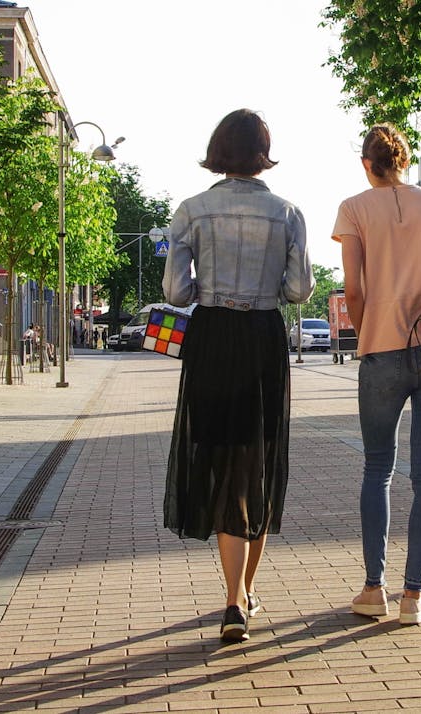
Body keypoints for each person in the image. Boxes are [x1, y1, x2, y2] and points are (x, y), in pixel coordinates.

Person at [162, 109, 313, 644]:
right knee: (258, 462)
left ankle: (232, 600)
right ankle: (243, 594)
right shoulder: (287, 212)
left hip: (213, 340)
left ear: (219, 150)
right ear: (262, 153)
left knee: (221, 458)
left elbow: (177, 295)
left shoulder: (191, 211)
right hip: (261, 340)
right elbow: (298, 291)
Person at [332, 124, 421, 626]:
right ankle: (414, 596)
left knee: (376, 470)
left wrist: (370, 336)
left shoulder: (353, 208)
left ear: (367, 163)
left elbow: (354, 288)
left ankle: (373, 589)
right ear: (404, 161)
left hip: (382, 352)